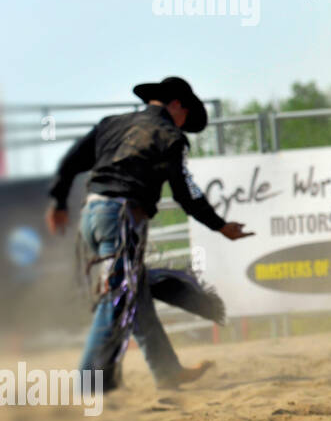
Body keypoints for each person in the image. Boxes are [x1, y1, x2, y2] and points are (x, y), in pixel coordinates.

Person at [44, 77, 253, 391]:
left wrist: (59, 201)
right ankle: (88, 383)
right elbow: (186, 193)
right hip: (123, 217)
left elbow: (72, 162)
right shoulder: (169, 136)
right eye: (186, 113)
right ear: (177, 105)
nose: (185, 122)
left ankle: (166, 371)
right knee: (116, 301)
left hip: (93, 215)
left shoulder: (111, 125)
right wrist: (219, 225)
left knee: (135, 294)